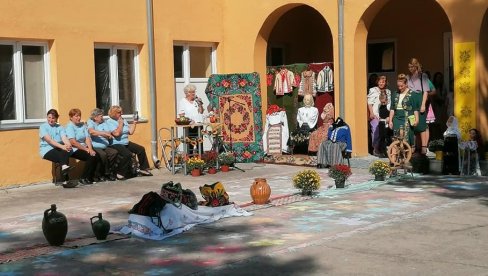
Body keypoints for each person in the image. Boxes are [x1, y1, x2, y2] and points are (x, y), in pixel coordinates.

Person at [106, 105, 152, 178]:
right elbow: (116, 134)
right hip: (116, 143)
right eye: (119, 112)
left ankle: (143, 168)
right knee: (127, 154)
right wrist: (120, 124)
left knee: (141, 149)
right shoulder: (109, 122)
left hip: (125, 142)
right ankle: (120, 172)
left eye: (121, 112)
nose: (121, 114)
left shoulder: (123, 120)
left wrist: (134, 123)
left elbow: (130, 132)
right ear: (113, 113)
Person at [39, 109, 76, 188]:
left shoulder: (60, 127)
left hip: (58, 148)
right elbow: (49, 140)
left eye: (53, 118)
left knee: (65, 152)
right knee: (63, 154)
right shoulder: (43, 127)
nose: (51, 120)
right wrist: (63, 146)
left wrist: (68, 145)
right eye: (49, 117)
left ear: (56, 118)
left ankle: (64, 171)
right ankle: (65, 181)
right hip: (47, 150)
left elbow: (64, 137)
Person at [407, 58, 436, 154]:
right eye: (409, 67)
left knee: (422, 125)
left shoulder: (423, 76)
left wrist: (423, 104)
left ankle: (423, 147)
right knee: (412, 124)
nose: (410, 68)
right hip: (411, 100)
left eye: (412, 67)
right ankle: (414, 146)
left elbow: (427, 92)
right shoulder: (408, 77)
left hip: (420, 99)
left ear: (416, 66)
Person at [65, 108, 100, 185]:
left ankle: (91, 177)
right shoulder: (69, 126)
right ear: (71, 117)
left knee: (95, 155)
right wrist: (86, 149)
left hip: (84, 147)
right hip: (74, 149)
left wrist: (90, 149)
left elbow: (87, 138)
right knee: (90, 157)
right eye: (76, 116)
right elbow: (73, 142)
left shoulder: (82, 125)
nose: (79, 118)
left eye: (79, 116)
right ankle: (83, 178)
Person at [87, 108, 120, 181]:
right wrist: (103, 133)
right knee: (103, 155)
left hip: (105, 145)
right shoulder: (91, 122)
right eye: (101, 116)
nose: (102, 118)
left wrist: (99, 133)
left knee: (114, 152)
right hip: (95, 146)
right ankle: (101, 174)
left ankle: (109, 172)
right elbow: (92, 132)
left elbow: (108, 134)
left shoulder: (104, 123)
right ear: (95, 117)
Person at [388, 74, 420, 147]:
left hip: (407, 118)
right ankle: (396, 155)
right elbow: (392, 109)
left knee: (407, 136)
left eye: (401, 86)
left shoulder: (412, 94)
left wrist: (417, 120)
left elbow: (415, 109)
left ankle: (406, 153)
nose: (400, 88)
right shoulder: (395, 94)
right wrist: (390, 121)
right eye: (398, 86)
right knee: (396, 136)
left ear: (406, 84)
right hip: (397, 118)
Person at [367, 75, 391, 156]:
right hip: (376, 115)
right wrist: (371, 113)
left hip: (385, 115)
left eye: (383, 82)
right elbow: (370, 102)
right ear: (377, 82)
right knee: (376, 132)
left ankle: (383, 150)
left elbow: (389, 104)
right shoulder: (373, 90)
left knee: (384, 134)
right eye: (380, 81)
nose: (381, 83)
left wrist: (389, 116)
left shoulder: (388, 91)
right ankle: (376, 150)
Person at [178, 84, 205, 153]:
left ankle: (201, 160)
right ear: (187, 93)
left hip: (199, 125)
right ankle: (190, 161)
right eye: (191, 92)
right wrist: (189, 121)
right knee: (190, 144)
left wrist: (200, 104)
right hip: (189, 126)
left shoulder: (196, 100)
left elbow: (201, 112)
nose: (193, 93)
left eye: (194, 92)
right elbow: (181, 115)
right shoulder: (183, 101)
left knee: (200, 144)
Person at [377, 93, 392, 157]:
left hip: (387, 123)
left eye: (384, 102)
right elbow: (378, 113)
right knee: (381, 138)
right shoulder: (379, 105)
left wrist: (389, 117)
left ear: (387, 100)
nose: (383, 104)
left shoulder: (389, 106)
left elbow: (392, 113)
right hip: (381, 123)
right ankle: (382, 152)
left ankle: (389, 151)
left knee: (388, 137)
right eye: (381, 102)